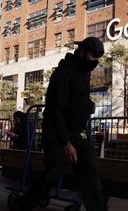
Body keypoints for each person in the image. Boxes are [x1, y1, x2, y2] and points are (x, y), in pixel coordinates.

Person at [18, 37, 107, 211]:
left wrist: (87, 104)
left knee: (91, 173)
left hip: (77, 133)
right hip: (57, 133)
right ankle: (24, 205)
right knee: (52, 174)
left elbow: (77, 96)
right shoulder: (63, 73)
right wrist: (66, 142)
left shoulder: (85, 72)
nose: (95, 62)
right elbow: (55, 109)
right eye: (93, 56)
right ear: (82, 52)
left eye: (98, 58)